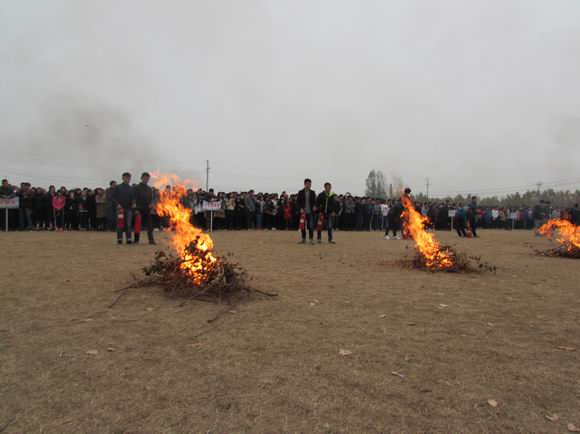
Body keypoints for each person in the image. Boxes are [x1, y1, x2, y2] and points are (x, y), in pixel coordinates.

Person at [133, 172, 156, 244]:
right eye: (145, 178)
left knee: (149, 226)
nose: (146, 180)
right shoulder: (136, 188)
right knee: (137, 225)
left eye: (147, 179)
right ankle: (136, 240)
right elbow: (134, 198)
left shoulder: (149, 189)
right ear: (141, 178)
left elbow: (151, 198)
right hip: (139, 209)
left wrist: (151, 204)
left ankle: (151, 240)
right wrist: (136, 209)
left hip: (147, 209)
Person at [113, 172, 135, 244]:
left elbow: (133, 198)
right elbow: (114, 197)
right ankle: (119, 239)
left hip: (128, 209)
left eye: (129, 178)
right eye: (126, 178)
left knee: (128, 224)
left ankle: (129, 239)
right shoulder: (118, 187)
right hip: (120, 210)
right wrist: (117, 204)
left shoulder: (131, 188)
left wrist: (134, 203)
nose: (128, 179)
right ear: (123, 178)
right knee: (120, 224)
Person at [297, 178, 317, 244]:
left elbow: (315, 202)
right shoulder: (300, 192)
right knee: (302, 226)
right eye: (307, 184)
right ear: (304, 184)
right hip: (303, 213)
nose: (309, 185)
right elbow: (298, 202)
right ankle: (303, 239)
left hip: (310, 212)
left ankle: (311, 239)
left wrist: (315, 206)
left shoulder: (313, 192)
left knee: (311, 226)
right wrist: (300, 208)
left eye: (310, 184)